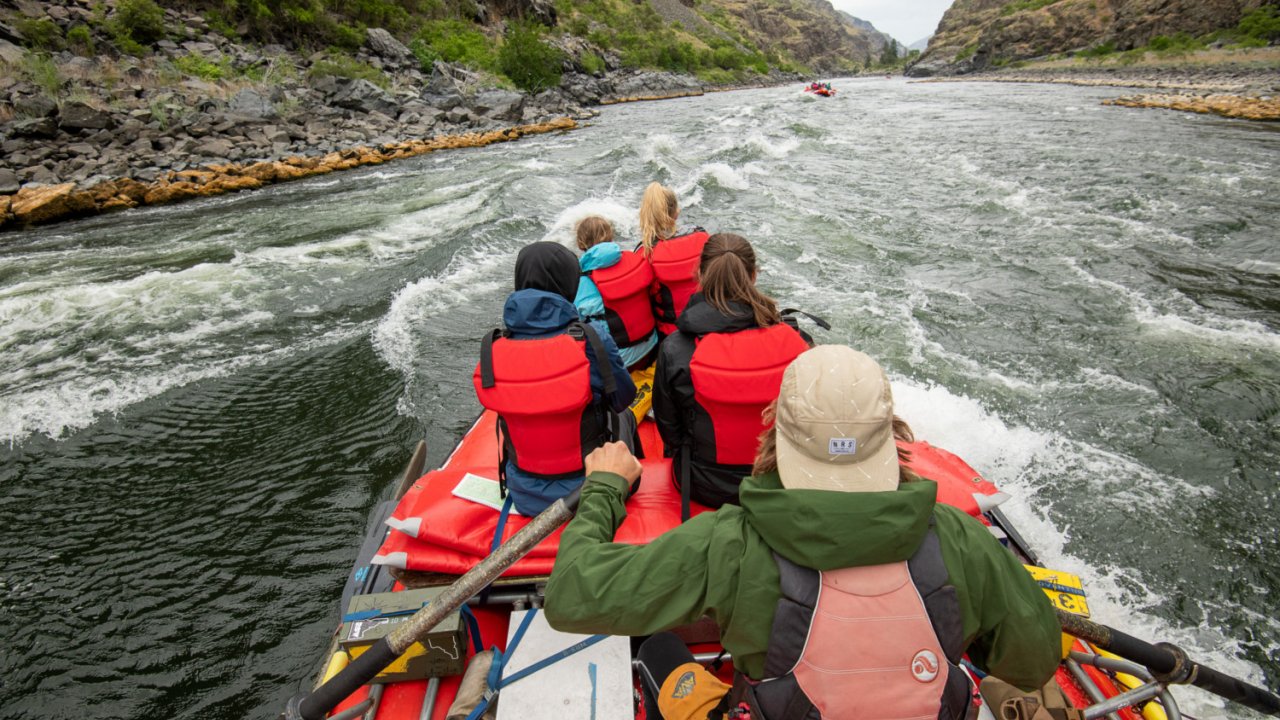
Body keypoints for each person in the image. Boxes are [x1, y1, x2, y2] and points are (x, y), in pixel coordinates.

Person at [544, 345, 1062, 720]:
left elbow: (571, 596)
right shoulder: (961, 539)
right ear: (892, 439)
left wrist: (605, 489)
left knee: (658, 651)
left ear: (774, 433)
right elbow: (1034, 659)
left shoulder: (729, 542)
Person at [472, 241, 637, 516]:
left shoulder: (493, 348)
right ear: (568, 282)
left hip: (523, 495)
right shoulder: (591, 338)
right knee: (625, 415)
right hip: (592, 491)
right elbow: (623, 398)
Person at [651, 233, 810, 516]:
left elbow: (670, 431)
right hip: (778, 479)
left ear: (699, 274)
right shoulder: (796, 342)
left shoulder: (675, 348)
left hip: (703, 485)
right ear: (753, 275)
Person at [573, 216, 660, 423]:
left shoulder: (583, 282)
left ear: (581, 244)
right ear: (610, 235)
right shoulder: (635, 260)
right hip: (651, 348)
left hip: (622, 362)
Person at [637, 182, 710, 336]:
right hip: (707, 323)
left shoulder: (645, 253)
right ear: (676, 213)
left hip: (670, 332)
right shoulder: (702, 237)